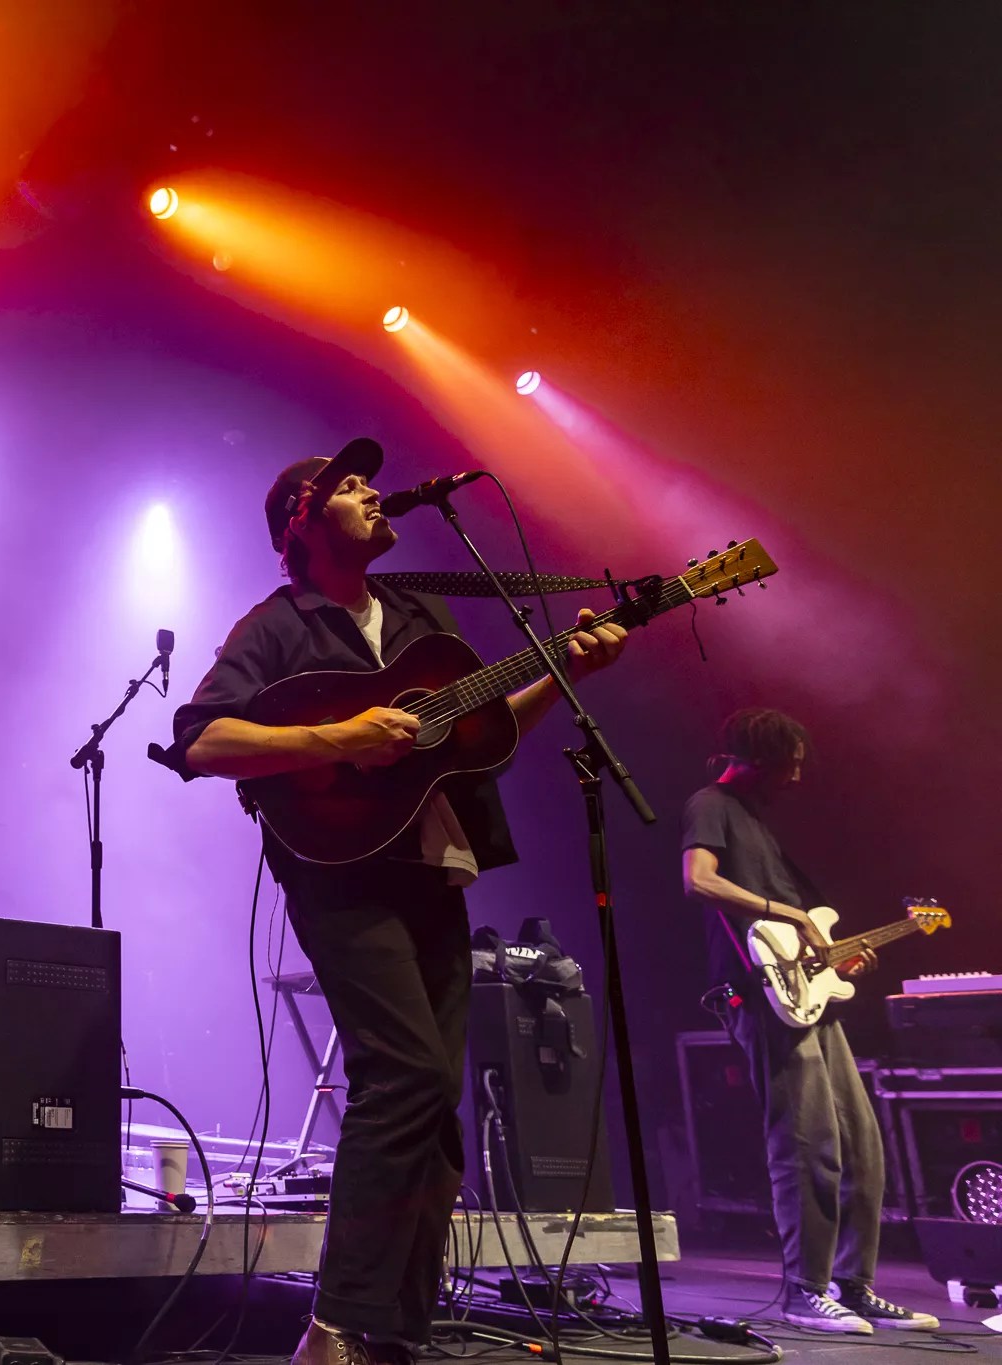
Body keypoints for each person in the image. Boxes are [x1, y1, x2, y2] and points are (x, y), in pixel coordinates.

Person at [166, 439, 627, 1365]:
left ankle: (395, 1336)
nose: (374, 493)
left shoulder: (419, 614)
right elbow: (202, 742)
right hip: (339, 872)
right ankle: (332, 1324)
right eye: (348, 486)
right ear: (300, 521)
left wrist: (565, 673)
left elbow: (480, 734)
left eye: (370, 482)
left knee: (435, 1102)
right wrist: (340, 736)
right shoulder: (276, 625)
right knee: (406, 1076)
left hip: (430, 863)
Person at [682, 707, 937, 1334]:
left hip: (805, 995)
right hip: (757, 995)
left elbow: (798, 936)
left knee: (862, 1142)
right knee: (807, 1143)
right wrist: (786, 912)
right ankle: (805, 1291)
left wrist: (833, 962)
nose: (796, 778)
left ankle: (853, 1285)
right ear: (753, 760)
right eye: (787, 766)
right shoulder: (710, 804)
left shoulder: (759, 823)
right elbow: (698, 881)